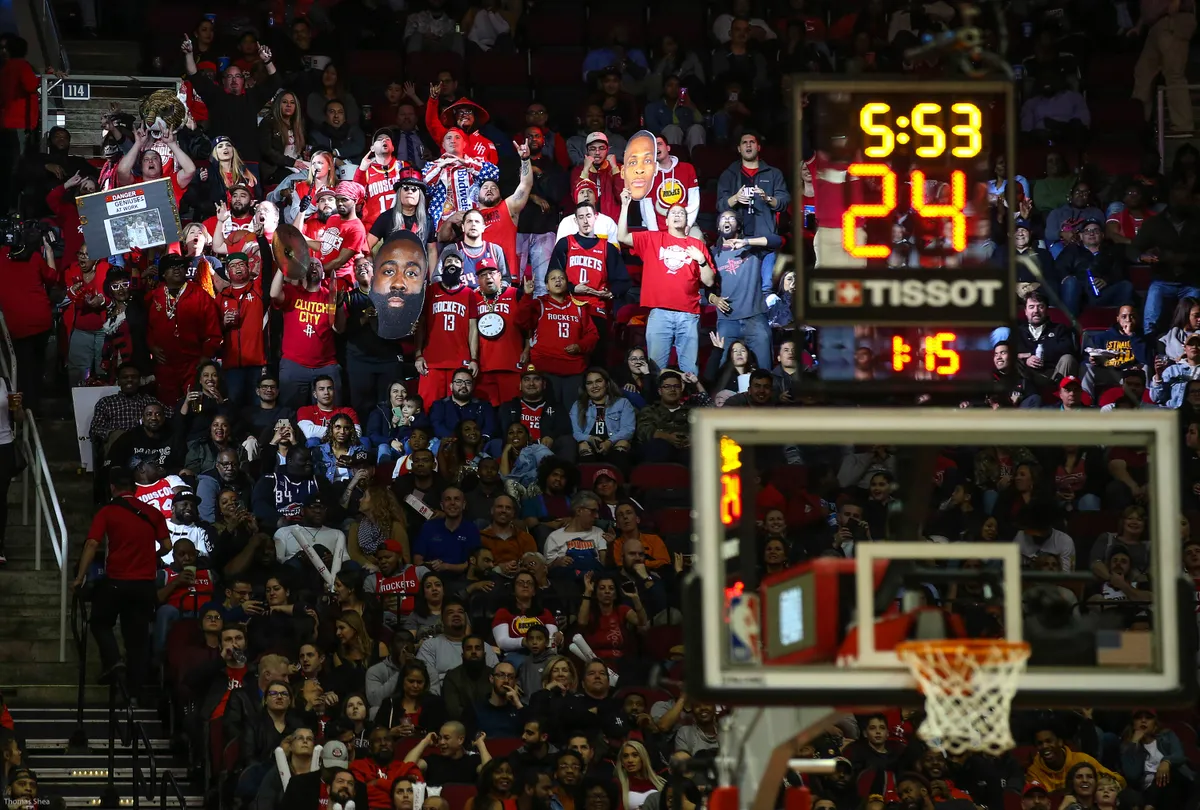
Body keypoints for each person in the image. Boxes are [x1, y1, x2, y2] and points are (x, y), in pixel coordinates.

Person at [73, 467, 171, 695]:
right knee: (137, 640)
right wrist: (150, 558)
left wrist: (79, 578)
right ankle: (133, 694)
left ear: (112, 488)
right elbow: (167, 546)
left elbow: (91, 544)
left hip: (116, 582)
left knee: (99, 622)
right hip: (145, 585)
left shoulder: (107, 511)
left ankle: (114, 660)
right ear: (134, 488)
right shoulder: (152, 512)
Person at [618, 189, 715, 376]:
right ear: (667, 220)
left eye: (682, 213)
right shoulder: (653, 239)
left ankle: (689, 403)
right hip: (660, 313)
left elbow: (709, 281)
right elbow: (622, 237)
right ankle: (656, 405)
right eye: (673, 213)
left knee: (689, 370)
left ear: (687, 221)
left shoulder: (697, 245)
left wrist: (701, 259)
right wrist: (624, 206)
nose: (678, 215)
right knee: (655, 369)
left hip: (688, 314)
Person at [270, 250, 346, 408]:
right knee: (289, 412)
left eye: (317, 265)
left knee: (331, 412)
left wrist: (338, 306)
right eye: (309, 264)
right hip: (294, 365)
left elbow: (339, 329)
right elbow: (274, 293)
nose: (313, 267)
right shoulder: (292, 292)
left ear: (323, 274)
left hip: (325, 366)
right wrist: (282, 266)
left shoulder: (330, 296)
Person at [520, 268, 599, 407]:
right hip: (545, 369)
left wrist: (579, 346)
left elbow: (592, 334)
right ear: (546, 286)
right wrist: (527, 296)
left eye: (561, 278)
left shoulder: (579, 307)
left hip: (574, 370)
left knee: (573, 413)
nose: (558, 280)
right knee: (548, 414)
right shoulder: (539, 304)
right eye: (553, 278)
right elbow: (520, 321)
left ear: (567, 283)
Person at [1131, 0, 1196, 138]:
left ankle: (1182, 127)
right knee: (1143, 72)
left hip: (1172, 21)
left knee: (1173, 74)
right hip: (1156, 25)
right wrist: (1139, 26)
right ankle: (1139, 121)